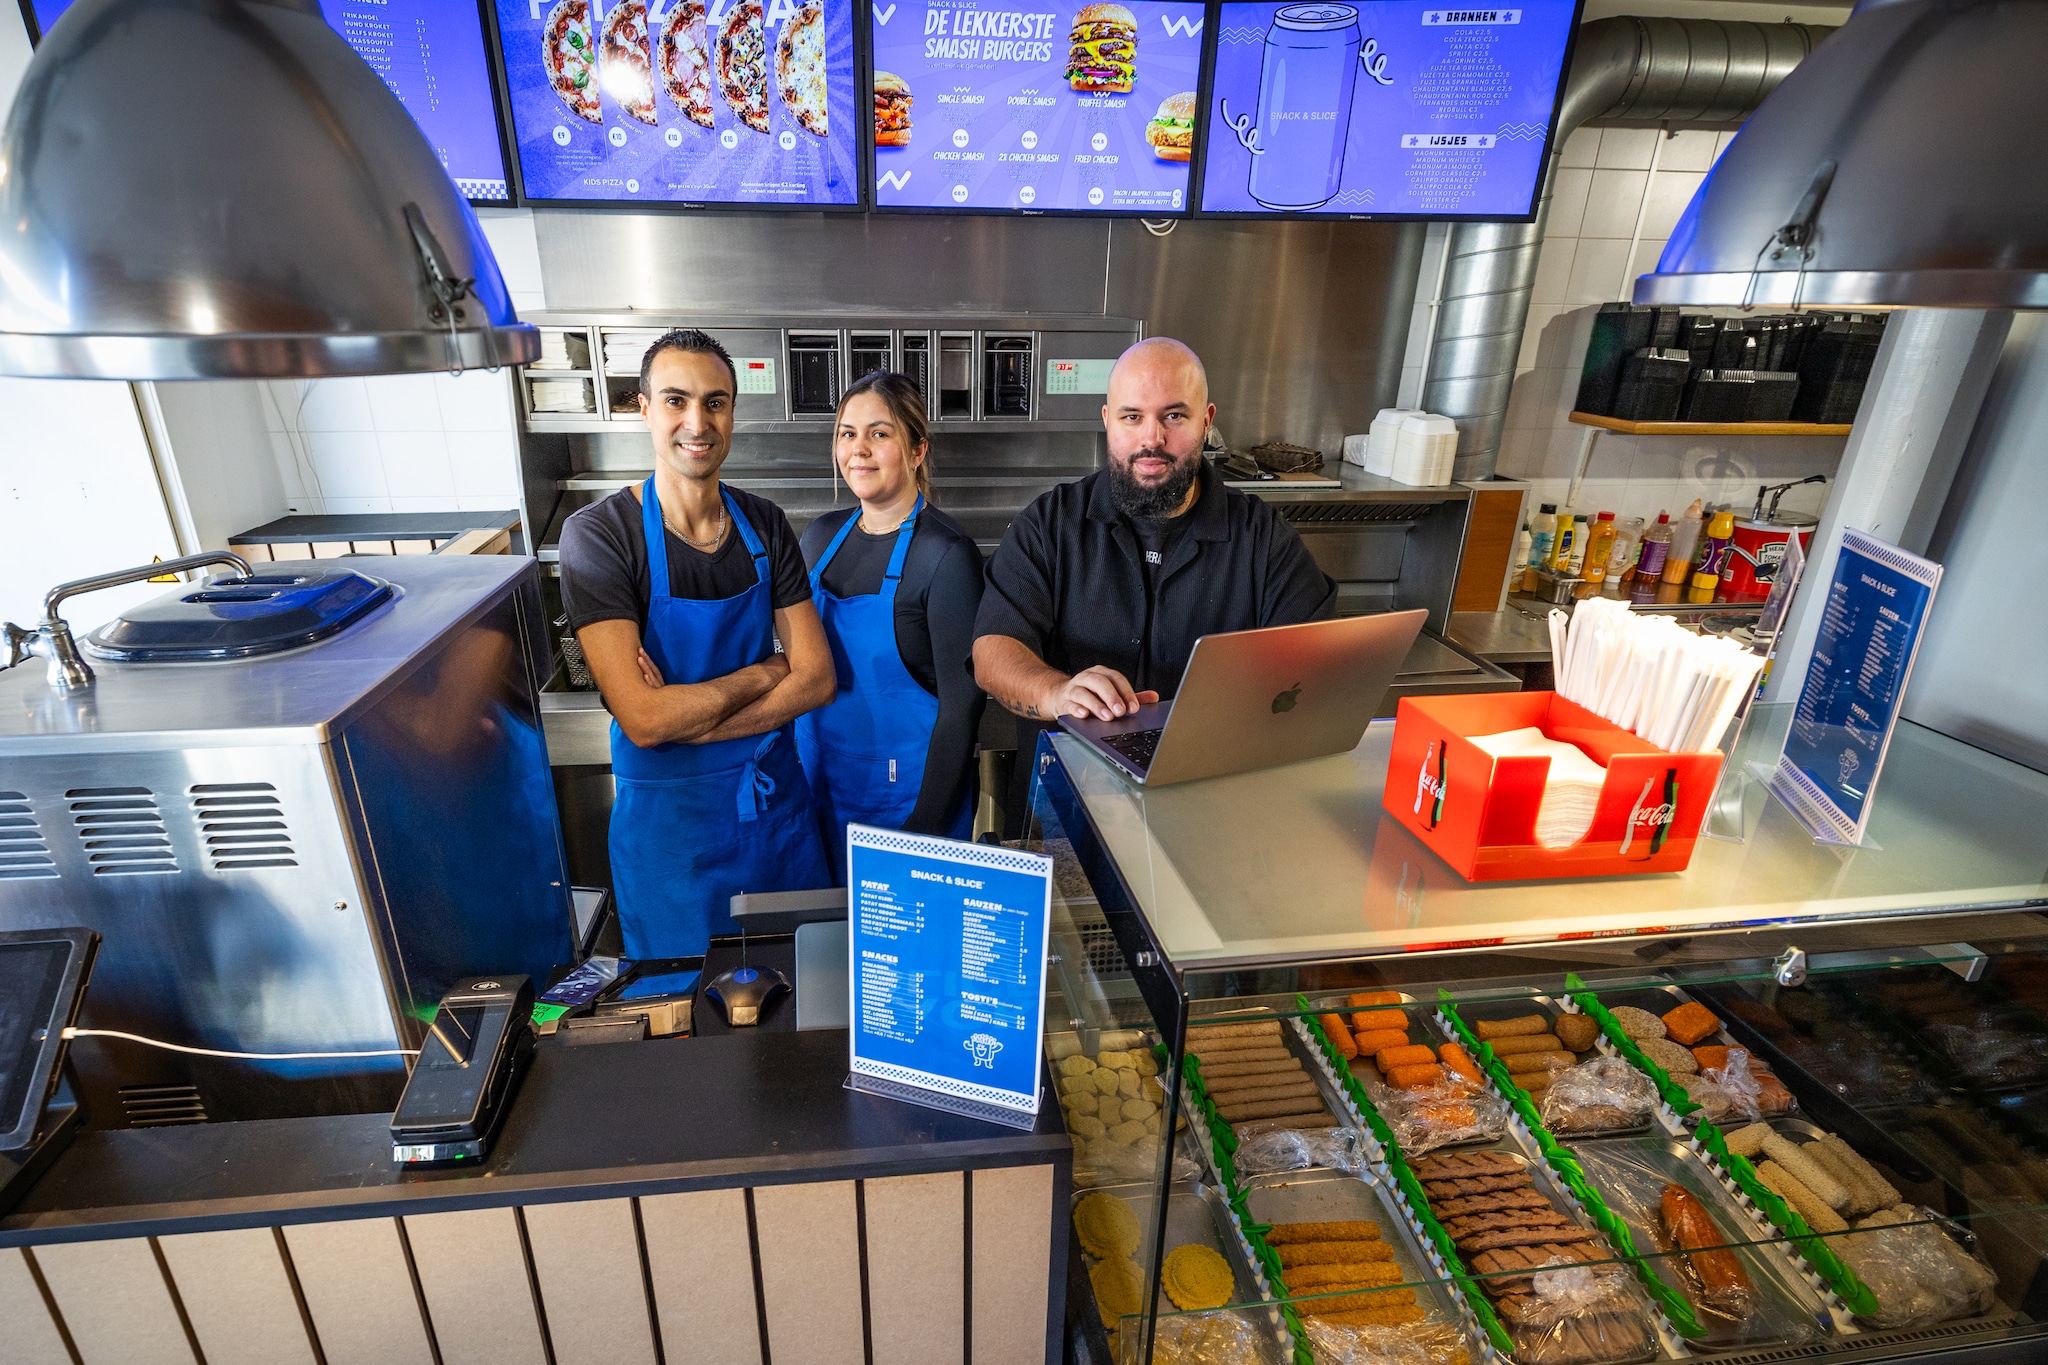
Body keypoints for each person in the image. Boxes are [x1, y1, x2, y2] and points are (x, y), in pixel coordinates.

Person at [558, 329, 833, 958]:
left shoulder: (764, 523)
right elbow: (646, 720)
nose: (697, 422)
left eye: (715, 402)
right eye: (676, 400)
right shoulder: (600, 536)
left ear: (732, 412)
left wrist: (693, 723)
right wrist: (766, 673)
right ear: (644, 408)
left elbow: (817, 678)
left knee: (802, 994)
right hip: (670, 845)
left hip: (775, 822)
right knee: (682, 1006)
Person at [972, 338, 1335, 810]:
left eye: (1174, 416)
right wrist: (1058, 692)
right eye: (1132, 417)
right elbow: (993, 651)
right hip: (1067, 801)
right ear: (1107, 420)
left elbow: (1315, 673)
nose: (1151, 439)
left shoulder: (1264, 540)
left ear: (1206, 421)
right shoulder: (1050, 524)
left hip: (1213, 801)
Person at [797, 371, 986, 876]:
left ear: (917, 450)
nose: (858, 449)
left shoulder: (946, 556)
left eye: (879, 433)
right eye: (848, 433)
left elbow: (962, 709)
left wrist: (923, 836)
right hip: (818, 791)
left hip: (906, 807)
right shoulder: (818, 539)